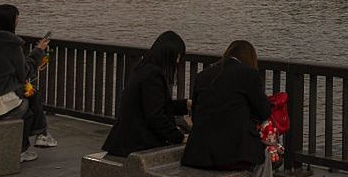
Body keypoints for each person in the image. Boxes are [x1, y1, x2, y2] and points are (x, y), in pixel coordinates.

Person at [0, 4, 56, 163]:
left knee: (29, 102)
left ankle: (39, 137)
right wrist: (39, 51)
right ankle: (34, 141)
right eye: (16, 18)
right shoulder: (10, 45)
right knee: (28, 106)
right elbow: (24, 73)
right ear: (10, 21)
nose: (18, 21)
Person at [182, 40, 273, 177]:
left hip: (197, 154)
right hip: (232, 157)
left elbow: (195, 116)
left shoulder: (203, 75)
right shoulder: (249, 75)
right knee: (264, 155)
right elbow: (264, 112)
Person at [102, 31, 191, 156]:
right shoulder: (153, 75)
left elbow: (157, 106)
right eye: (177, 56)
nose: (177, 61)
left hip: (126, 140)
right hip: (137, 143)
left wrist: (185, 104)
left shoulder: (144, 69)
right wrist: (179, 138)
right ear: (168, 54)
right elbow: (155, 116)